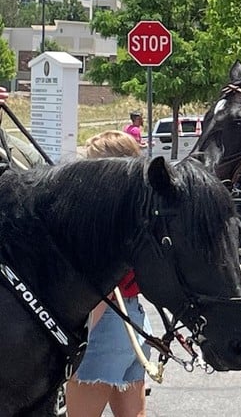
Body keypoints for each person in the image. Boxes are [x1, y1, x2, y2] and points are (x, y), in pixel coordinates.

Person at [66, 130, 153, 417]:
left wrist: (76, 337)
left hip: (102, 326)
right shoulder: (141, 213)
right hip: (135, 323)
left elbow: (99, 291)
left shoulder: (102, 221)